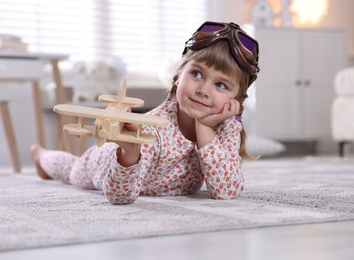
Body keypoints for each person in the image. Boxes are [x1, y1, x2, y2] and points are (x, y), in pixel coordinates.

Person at [30, 21, 260, 205]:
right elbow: (120, 196)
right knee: (72, 169)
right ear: (179, 75)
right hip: (105, 162)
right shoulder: (153, 129)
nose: (203, 90)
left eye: (221, 85)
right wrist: (130, 153)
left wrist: (205, 127)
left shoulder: (227, 126)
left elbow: (226, 191)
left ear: (235, 100)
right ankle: (41, 155)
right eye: (197, 74)